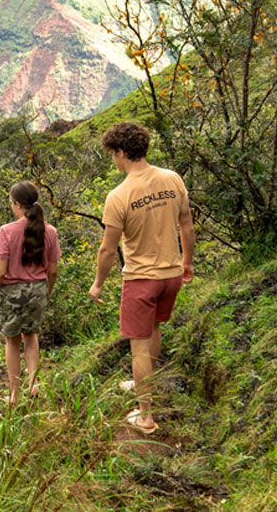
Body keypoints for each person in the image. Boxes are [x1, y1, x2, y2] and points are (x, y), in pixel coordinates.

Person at [89, 122, 195, 434]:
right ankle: (140, 381)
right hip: (172, 274)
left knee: (138, 345)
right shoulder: (172, 179)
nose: (113, 160)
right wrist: (187, 262)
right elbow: (186, 225)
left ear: (122, 152)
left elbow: (108, 250)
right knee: (155, 328)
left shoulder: (119, 196)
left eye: (113, 154)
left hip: (140, 280)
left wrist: (97, 284)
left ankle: (145, 415)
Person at [0, 181, 60, 406]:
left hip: (12, 293)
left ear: (16, 205)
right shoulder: (50, 231)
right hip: (38, 290)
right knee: (31, 336)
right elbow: (52, 271)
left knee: (12, 342)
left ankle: (14, 395)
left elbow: (0, 272)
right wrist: (46, 292)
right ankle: (33, 384)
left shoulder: (7, 231)